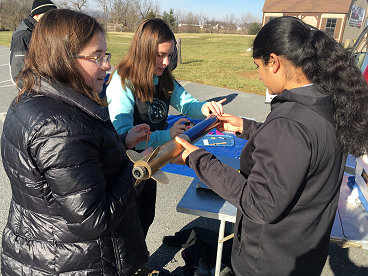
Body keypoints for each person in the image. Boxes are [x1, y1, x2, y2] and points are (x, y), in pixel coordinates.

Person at [175, 16, 368, 276]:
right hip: (305, 253)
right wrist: (248, 127)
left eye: (258, 66)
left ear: (274, 62)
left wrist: (197, 158)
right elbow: (299, 149)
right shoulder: (327, 102)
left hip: (268, 263)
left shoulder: (290, 122)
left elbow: (258, 203)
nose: (258, 76)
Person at [1, 9, 156, 276]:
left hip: (45, 250)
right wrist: (140, 168)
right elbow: (93, 218)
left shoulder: (38, 100)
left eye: (105, 55)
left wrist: (122, 143)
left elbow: (77, 163)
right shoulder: (58, 126)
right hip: (72, 262)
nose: (107, 65)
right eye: (96, 57)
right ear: (63, 59)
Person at [106, 18, 225, 237]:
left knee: (146, 216)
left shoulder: (165, 79)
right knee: (125, 226)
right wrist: (167, 136)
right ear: (143, 51)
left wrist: (206, 108)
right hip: (126, 169)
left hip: (153, 163)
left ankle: (140, 265)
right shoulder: (123, 81)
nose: (166, 62)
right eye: (160, 55)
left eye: (170, 55)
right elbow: (122, 136)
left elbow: (187, 104)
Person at [9, 0, 57, 85]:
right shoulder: (23, 36)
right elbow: (19, 76)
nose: (53, 19)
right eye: (49, 15)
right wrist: (45, 91)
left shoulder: (40, 30)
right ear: (37, 15)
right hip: (34, 91)